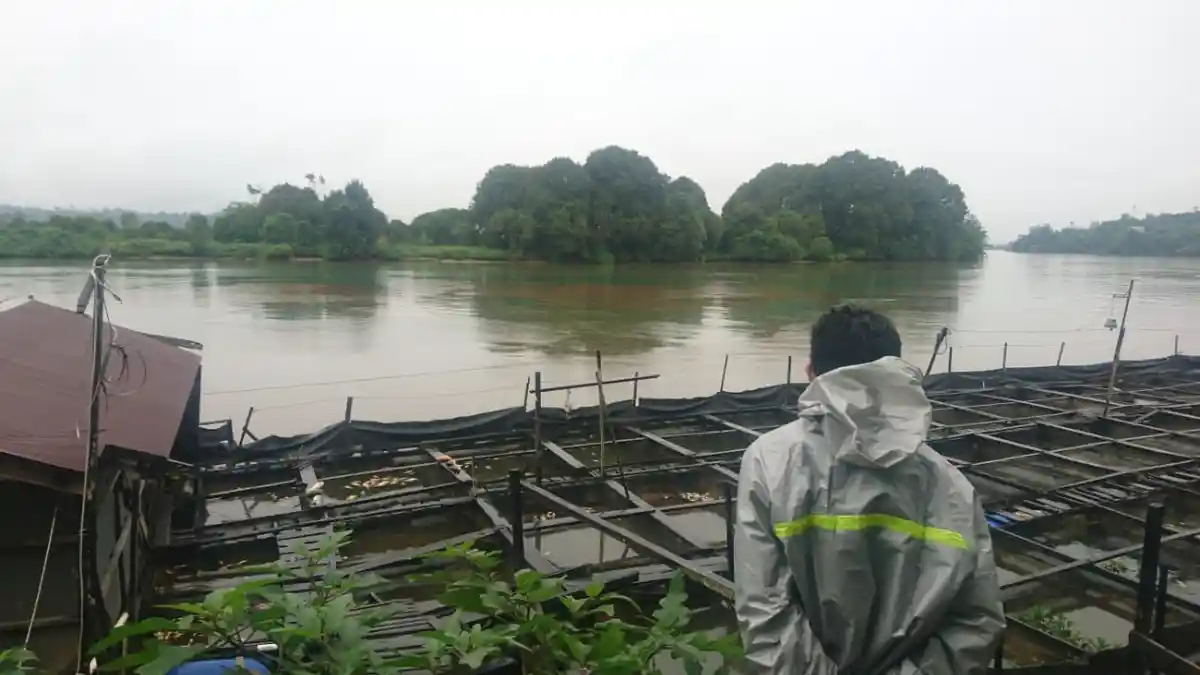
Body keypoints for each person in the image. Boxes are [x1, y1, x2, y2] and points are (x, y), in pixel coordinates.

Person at [734, 305, 1005, 675]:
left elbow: (765, 613)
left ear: (811, 374)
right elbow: (976, 621)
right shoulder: (949, 483)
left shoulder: (769, 461)